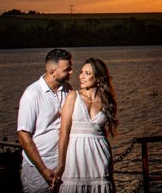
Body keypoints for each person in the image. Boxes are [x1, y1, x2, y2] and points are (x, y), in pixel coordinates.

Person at [55, 58, 118, 192]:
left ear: (98, 77)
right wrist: (61, 164)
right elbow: (63, 132)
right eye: (82, 72)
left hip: (100, 157)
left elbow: (104, 135)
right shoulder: (73, 96)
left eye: (87, 73)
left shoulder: (107, 101)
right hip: (75, 157)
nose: (81, 76)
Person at [17, 48, 73, 192]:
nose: (71, 72)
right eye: (67, 69)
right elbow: (23, 135)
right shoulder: (32, 94)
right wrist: (43, 169)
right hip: (39, 170)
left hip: (63, 167)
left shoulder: (67, 89)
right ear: (53, 72)